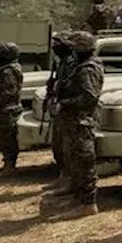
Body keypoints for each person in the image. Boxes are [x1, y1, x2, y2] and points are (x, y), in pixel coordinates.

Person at [48, 31, 104, 218]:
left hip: (82, 122)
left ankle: (88, 203)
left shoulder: (88, 68)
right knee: (73, 160)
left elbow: (89, 97)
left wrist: (65, 103)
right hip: (73, 121)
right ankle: (80, 198)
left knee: (83, 162)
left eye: (74, 47)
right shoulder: (77, 65)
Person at [0, 42, 24, 176]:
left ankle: (10, 166)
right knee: (3, 139)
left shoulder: (8, 71)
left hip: (6, 110)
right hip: (3, 109)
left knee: (7, 139)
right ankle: (7, 164)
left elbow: (8, 92)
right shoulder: (6, 69)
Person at [44, 33, 75, 194]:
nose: (55, 47)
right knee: (58, 145)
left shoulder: (71, 63)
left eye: (58, 43)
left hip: (67, 110)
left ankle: (68, 179)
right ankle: (63, 176)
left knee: (66, 147)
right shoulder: (62, 62)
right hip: (60, 109)